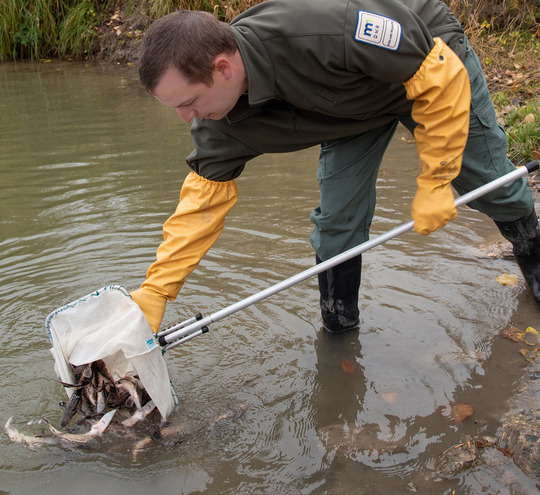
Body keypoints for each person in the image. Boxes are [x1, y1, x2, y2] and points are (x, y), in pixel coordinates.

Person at [130, 0, 540, 335]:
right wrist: (157, 290)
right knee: (338, 223)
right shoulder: (218, 123)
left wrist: (436, 180)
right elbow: (202, 201)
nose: (187, 119)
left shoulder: (324, 29)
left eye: (188, 103)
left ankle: (535, 265)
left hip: (425, 63)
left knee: (490, 184)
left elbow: (438, 74)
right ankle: (340, 332)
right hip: (347, 111)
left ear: (222, 68)